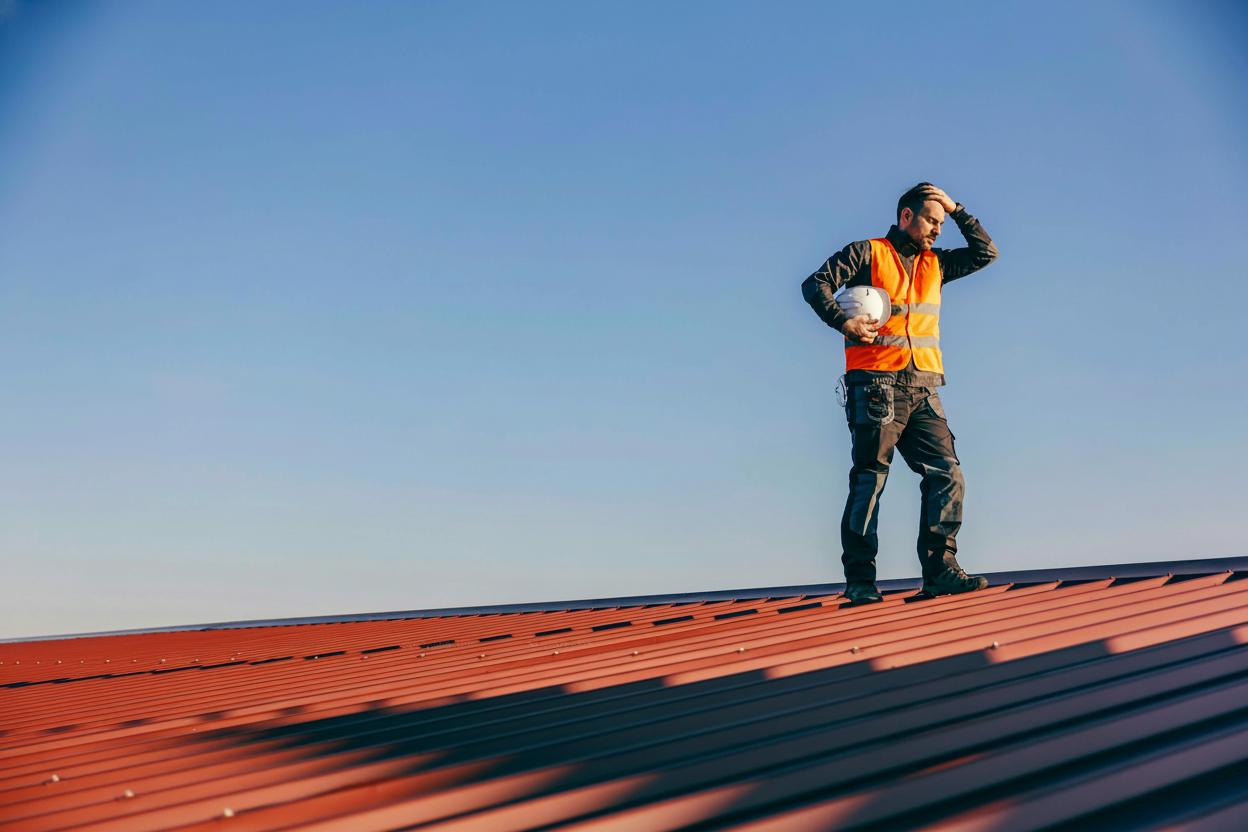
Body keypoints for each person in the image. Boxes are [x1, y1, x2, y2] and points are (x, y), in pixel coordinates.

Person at [802, 183, 998, 604]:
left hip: (924, 386)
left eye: (942, 223)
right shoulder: (867, 253)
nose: (938, 230)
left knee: (948, 475)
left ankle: (940, 571)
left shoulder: (937, 264)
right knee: (870, 481)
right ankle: (860, 582)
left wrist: (957, 208)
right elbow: (814, 284)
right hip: (875, 386)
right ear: (906, 217)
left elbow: (986, 254)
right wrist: (843, 322)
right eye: (932, 220)